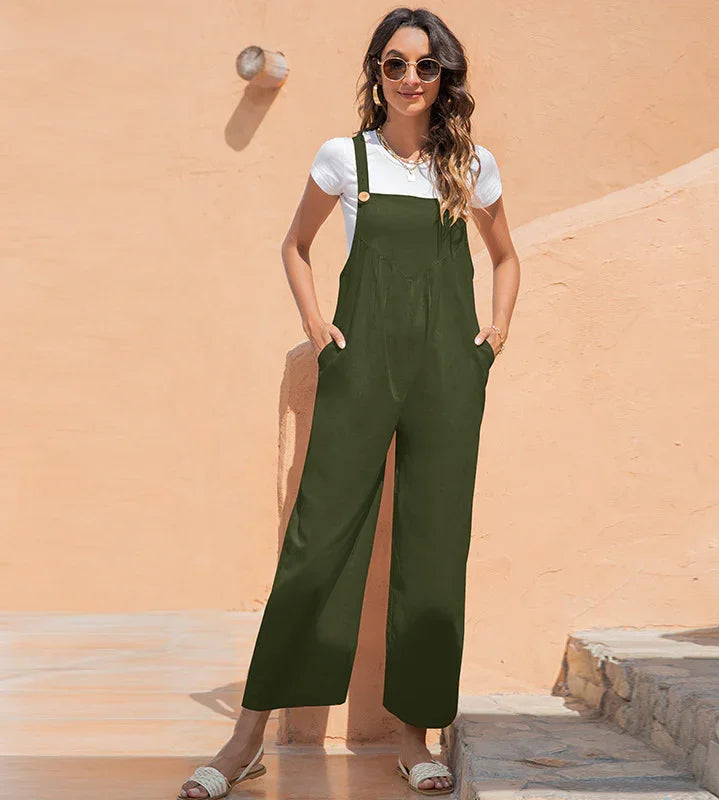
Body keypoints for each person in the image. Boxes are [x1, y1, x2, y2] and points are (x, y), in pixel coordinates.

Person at [177, 7, 519, 799]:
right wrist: (317, 326)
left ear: (445, 78)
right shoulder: (345, 157)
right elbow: (296, 245)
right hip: (361, 365)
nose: (409, 79)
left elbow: (505, 257)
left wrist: (492, 338)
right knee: (316, 544)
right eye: (395, 64)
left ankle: (415, 736)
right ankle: (247, 737)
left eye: (425, 66)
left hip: (447, 373)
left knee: (435, 550)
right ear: (376, 73)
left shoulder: (471, 166)